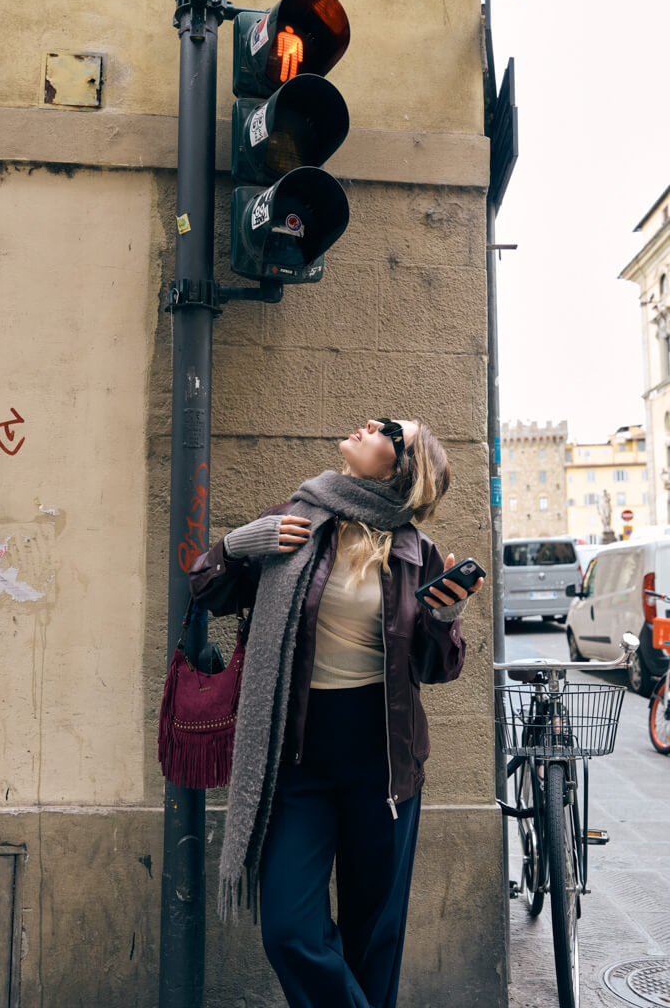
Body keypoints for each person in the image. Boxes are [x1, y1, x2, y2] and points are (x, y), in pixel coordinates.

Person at [187, 417, 485, 1008]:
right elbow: (209, 592)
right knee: (289, 931)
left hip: (384, 765)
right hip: (297, 759)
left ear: (403, 467)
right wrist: (237, 545)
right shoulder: (296, 519)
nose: (370, 424)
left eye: (390, 430)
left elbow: (435, 668)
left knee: (373, 940)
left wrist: (445, 619)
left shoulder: (417, 553)